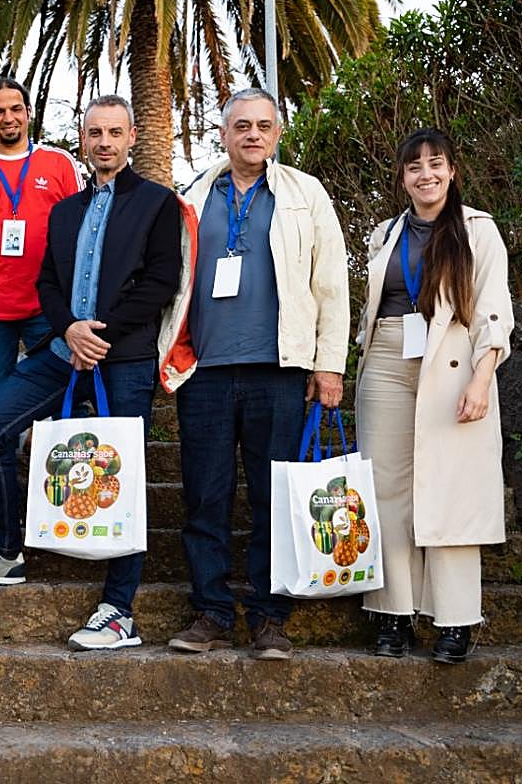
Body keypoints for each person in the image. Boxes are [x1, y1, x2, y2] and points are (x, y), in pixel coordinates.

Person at [0, 96, 184, 651]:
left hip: (123, 357)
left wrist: (99, 333)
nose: (104, 142)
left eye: (114, 133)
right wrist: (69, 329)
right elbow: (47, 282)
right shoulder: (67, 209)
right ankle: (5, 551)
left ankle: (118, 612)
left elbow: (160, 281)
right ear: (83, 139)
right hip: (62, 349)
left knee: (124, 473)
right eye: (95, 133)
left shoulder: (156, 203)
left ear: (132, 138)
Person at [165, 88, 349, 660]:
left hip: (279, 371)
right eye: (241, 125)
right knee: (205, 496)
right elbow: (172, 282)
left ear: (277, 134)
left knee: (276, 499)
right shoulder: (193, 196)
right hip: (205, 372)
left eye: (263, 126)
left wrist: (329, 365)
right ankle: (211, 613)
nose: (252, 134)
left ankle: (271, 618)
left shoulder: (305, 194)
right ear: (223, 134)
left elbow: (330, 282)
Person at [356, 129, 513, 664]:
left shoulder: (478, 230)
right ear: (403, 178)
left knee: (452, 489)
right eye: (414, 167)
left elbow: (493, 309)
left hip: (453, 360)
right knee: (386, 488)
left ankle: (455, 618)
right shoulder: (385, 233)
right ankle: (393, 611)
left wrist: (482, 377)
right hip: (387, 360)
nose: (426, 175)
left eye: (435, 164)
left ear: (451, 171)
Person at [0, 77, 82, 399]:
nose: (8, 118)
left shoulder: (59, 163)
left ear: (28, 112)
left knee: (58, 394)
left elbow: (78, 230)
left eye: (15, 109)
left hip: (47, 303)